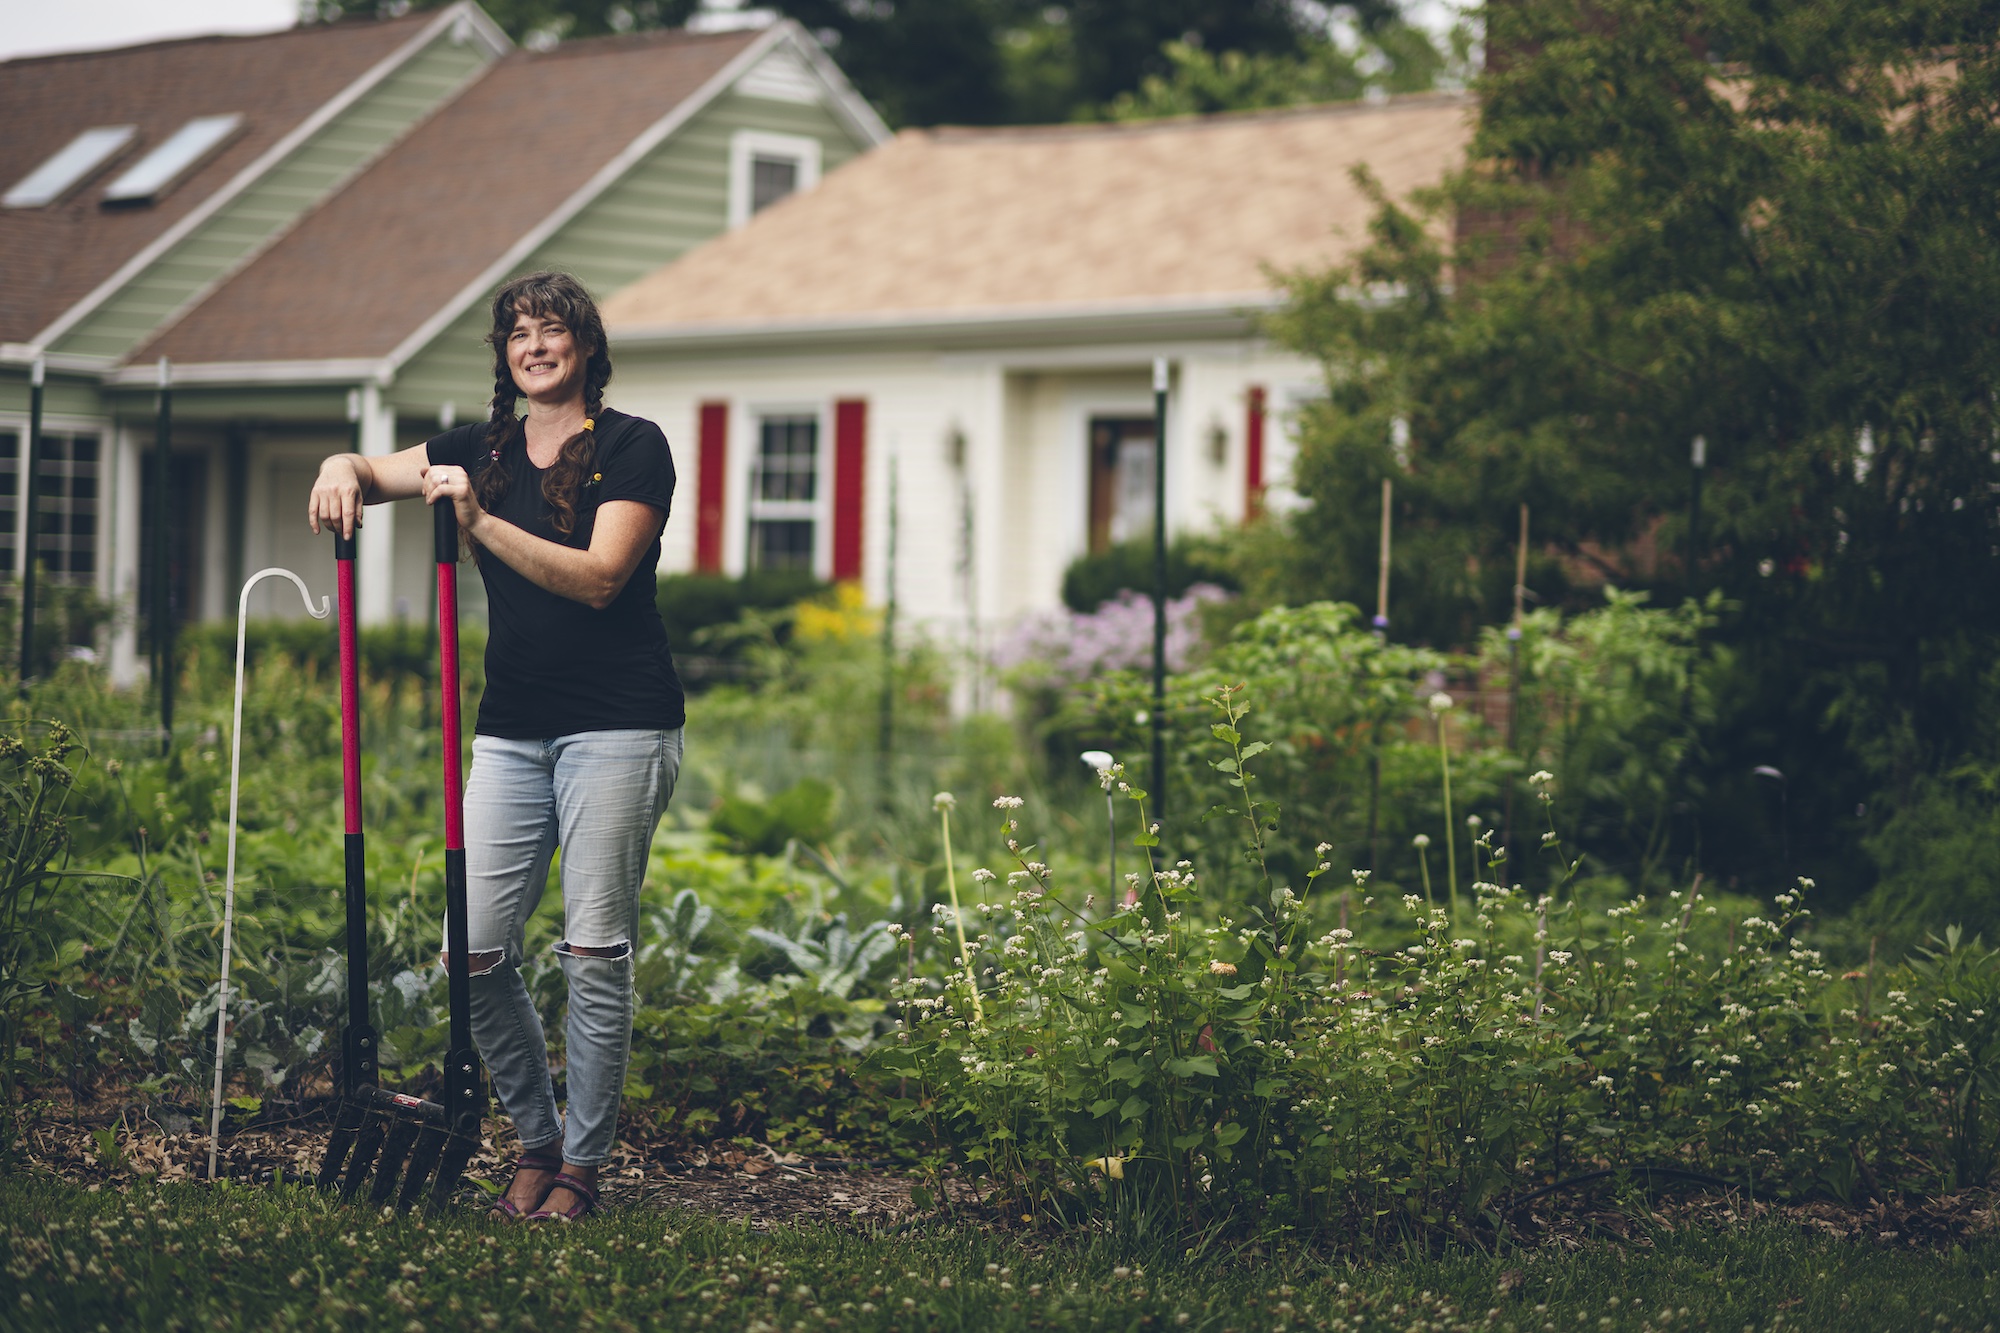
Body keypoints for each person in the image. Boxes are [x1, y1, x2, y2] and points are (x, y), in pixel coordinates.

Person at [307, 270, 684, 1222]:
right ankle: (537, 1136)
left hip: (619, 722)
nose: (534, 345)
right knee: (468, 950)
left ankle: (583, 1169)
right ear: (504, 355)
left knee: (594, 950)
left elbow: (601, 576)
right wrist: (341, 468)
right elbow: (372, 468)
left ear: (587, 346)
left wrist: (473, 518)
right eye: (517, 332)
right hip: (512, 730)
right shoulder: (480, 448)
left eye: (553, 329)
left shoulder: (635, 447)